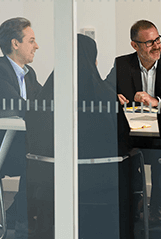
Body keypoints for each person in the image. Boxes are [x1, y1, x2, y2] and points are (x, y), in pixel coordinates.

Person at [25, 34, 134, 239]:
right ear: (92, 59)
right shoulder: (105, 97)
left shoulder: (43, 99)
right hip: (102, 183)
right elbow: (123, 139)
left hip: (53, 182)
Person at [104, 19, 161, 224]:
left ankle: (156, 207)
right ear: (135, 45)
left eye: (158, 39)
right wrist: (113, 97)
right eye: (150, 42)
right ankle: (134, 200)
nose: (157, 45)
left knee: (160, 154)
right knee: (121, 151)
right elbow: (105, 88)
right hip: (134, 129)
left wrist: (156, 102)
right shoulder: (122, 64)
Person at [0, 17, 42, 239]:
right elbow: (22, 108)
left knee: (42, 152)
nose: (36, 46)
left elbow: (43, 102)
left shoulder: (28, 74)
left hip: (16, 143)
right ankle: (23, 217)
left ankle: (21, 213)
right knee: (39, 156)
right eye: (31, 40)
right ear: (15, 43)